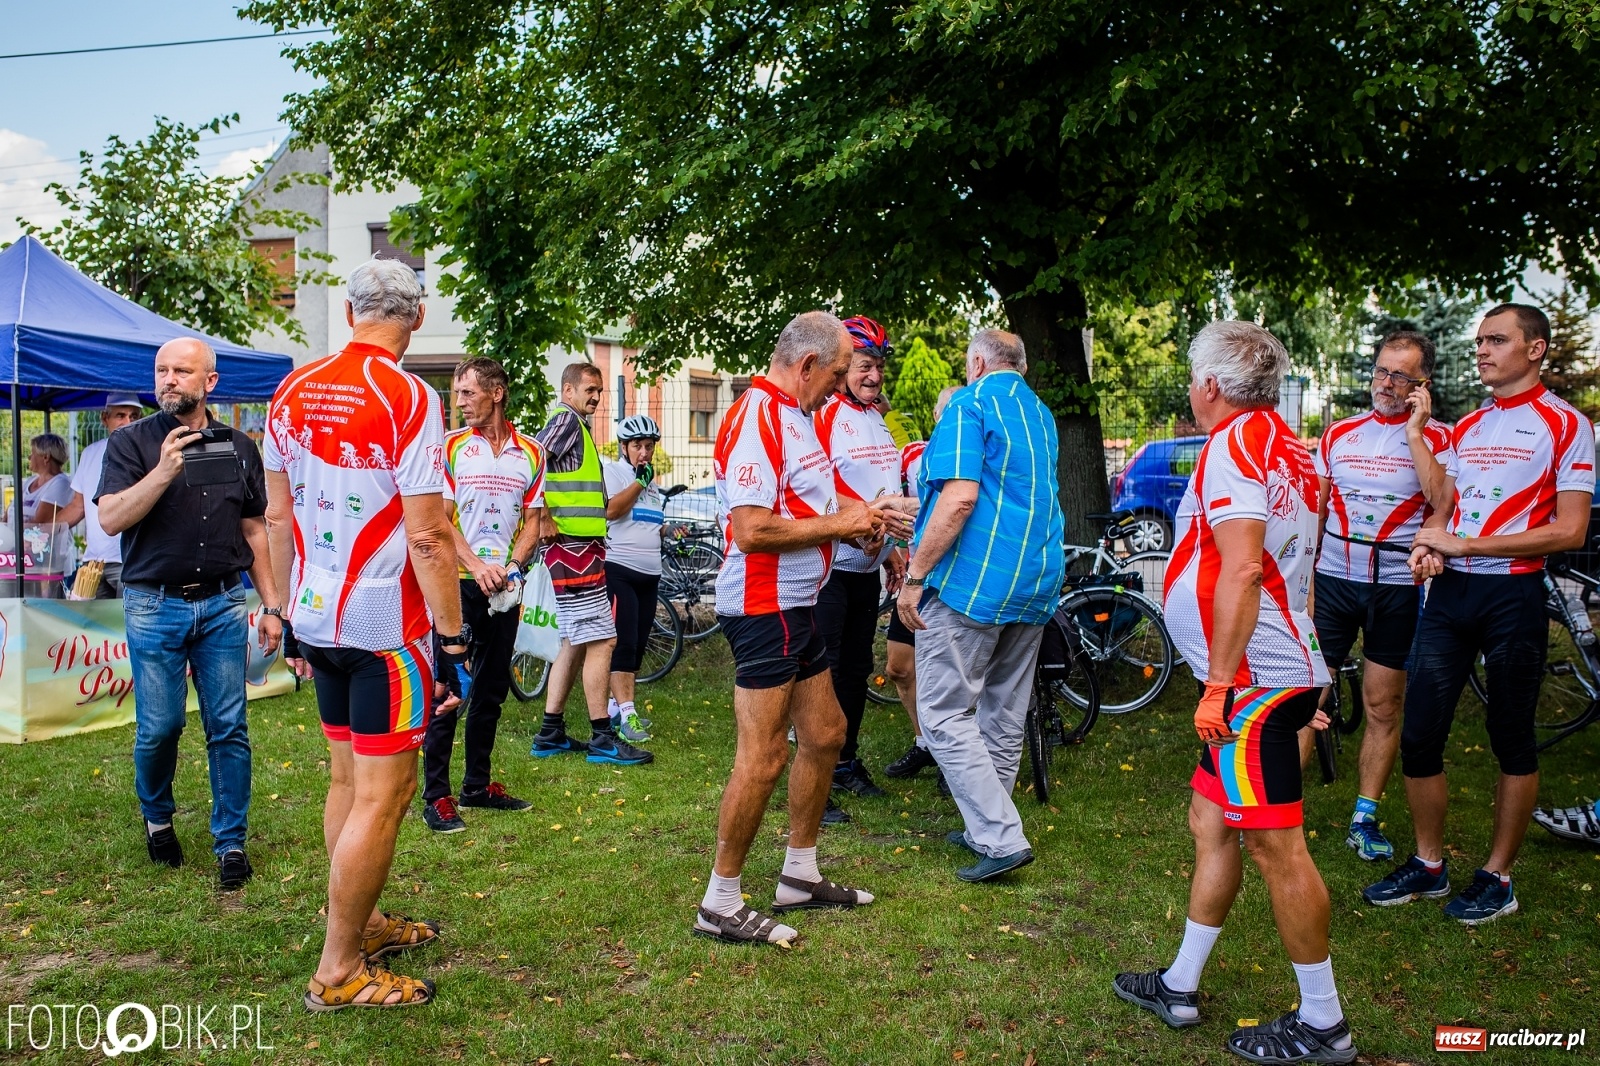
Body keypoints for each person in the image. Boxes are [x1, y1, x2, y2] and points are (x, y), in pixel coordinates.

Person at [1113, 321, 1354, 1064]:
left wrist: (1220, 685)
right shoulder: (1288, 447)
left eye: (1193, 377)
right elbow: (1299, 562)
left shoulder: (1234, 443)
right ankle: (1180, 983)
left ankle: (1324, 1024)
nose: (1192, 389)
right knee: (1210, 821)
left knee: (1277, 847)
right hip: (1271, 672)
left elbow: (1247, 567)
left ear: (1211, 385)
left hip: (1251, 682)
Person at [265, 258, 471, 1011]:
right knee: (386, 795)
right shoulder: (411, 395)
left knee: (348, 784)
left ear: (350, 312)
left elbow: (277, 515)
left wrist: (286, 611)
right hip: (385, 624)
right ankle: (339, 969)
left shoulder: (292, 388)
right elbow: (428, 536)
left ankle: (367, 923)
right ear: (417, 318)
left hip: (316, 611)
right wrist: (453, 640)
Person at [1364, 303, 1596, 924]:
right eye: (1479, 342)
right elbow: (1445, 505)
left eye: (1496, 340)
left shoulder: (1565, 424)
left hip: (1512, 597)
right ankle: (1429, 864)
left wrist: (1466, 545)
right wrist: (1431, 543)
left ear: (1535, 348)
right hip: (1451, 593)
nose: (1482, 351)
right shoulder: (1470, 425)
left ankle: (1498, 878)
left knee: (1510, 737)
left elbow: (1570, 529)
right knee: (1420, 733)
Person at [695, 310, 885, 945]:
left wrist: (860, 519)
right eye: (837, 372)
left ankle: (798, 877)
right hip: (761, 606)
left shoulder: (798, 414)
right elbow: (751, 530)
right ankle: (720, 901)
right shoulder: (758, 416)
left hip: (797, 604)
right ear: (807, 366)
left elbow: (807, 504)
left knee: (827, 733)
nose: (840, 385)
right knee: (765, 755)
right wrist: (841, 526)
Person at [95, 338, 284, 890]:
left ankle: (231, 842)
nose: (169, 379)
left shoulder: (239, 446)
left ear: (210, 382)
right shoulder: (130, 442)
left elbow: (254, 529)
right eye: (162, 370)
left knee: (228, 726)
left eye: (181, 370)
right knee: (161, 727)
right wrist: (163, 471)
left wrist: (272, 606)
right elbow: (109, 519)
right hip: (154, 604)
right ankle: (158, 818)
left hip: (223, 603)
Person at [895, 330, 1062, 884]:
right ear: (1021, 366)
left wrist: (915, 577)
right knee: (1003, 712)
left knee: (942, 713)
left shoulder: (969, 404)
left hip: (975, 583)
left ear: (977, 362)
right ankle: (985, 827)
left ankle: (1000, 836)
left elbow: (961, 497)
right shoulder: (1041, 414)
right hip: (1035, 580)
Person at [1308, 331, 1456, 861]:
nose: (1386, 383)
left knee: (1382, 704)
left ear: (1422, 384)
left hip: (1396, 589)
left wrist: (1416, 432)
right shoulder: (1339, 433)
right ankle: (1274, 809)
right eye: (1381, 371)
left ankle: (1363, 818)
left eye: (1400, 375)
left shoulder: (1441, 437)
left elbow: (1442, 502)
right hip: (1333, 581)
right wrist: (1306, 582)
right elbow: (1317, 511)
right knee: (1302, 696)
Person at [420, 356, 546, 833]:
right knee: (450, 689)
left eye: (468, 392)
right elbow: (438, 519)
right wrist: (476, 565)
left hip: (505, 591)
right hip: (457, 586)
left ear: (497, 393)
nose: (460, 402)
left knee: (491, 689)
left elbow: (533, 523)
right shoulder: (453, 447)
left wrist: (512, 568)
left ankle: (476, 785)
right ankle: (437, 796)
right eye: (457, 393)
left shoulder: (532, 452)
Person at [813, 317, 915, 805]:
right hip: (830, 565)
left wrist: (890, 548)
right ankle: (818, 770)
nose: (873, 375)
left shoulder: (876, 417)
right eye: (863, 366)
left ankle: (845, 761)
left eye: (878, 366)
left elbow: (885, 488)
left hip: (866, 565)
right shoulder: (826, 413)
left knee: (856, 668)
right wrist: (866, 523)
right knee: (827, 670)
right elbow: (819, 486)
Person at [530, 363, 652, 767]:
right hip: (573, 550)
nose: (596, 397)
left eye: (599, 391)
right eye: (589, 389)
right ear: (568, 390)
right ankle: (603, 738)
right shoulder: (565, 421)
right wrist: (542, 516)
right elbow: (531, 461)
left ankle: (550, 732)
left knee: (576, 641)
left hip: (578, 548)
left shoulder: (576, 426)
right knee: (603, 640)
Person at [883, 385, 959, 785]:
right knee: (898, 667)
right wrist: (894, 552)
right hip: (917, 578)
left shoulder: (979, 457)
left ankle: (957, 754)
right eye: (947, 412)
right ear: (935, 417)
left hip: (957, 582)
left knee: (954, 673)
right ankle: (925, 742)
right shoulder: (915, 454)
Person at [602, 414, 669, 743]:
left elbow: (649, 521)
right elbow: (612, 510)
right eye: (637, 446)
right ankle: (628, 716)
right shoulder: (614, 472)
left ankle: (616, 710)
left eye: (649, 446)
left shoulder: (650, 481)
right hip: (620, 570)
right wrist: (640, 483)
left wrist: (671, 530)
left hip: (650, 574)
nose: (644, 452)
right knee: (624, 644)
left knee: (639, 645)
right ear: (624, 447)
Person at [53, 395, 144, 597]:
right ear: (104, 418)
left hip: (131, 561)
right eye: (120, 415)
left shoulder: (147, 452)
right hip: (94, 562)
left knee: (126, 617)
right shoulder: (90, 453)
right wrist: (42, 531)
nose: (128, 421)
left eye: (133, 416)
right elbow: (78, 506)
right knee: (84, 617)